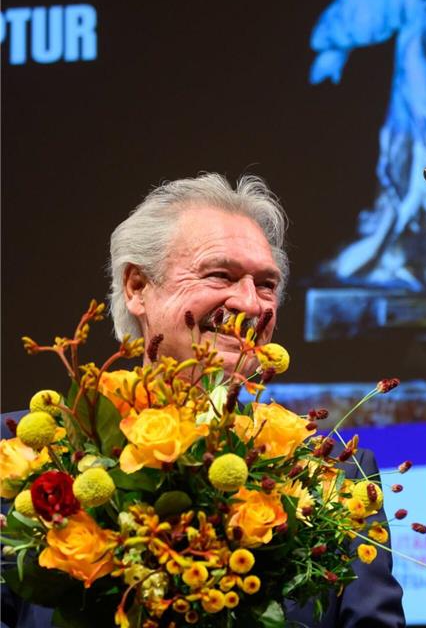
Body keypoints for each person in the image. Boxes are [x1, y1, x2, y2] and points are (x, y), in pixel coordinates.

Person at [2, 174, 405, 628]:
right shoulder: (23, 457)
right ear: (137, 287)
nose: (250, 304)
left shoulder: (335, 478)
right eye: (220, 275)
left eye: (266, 284)